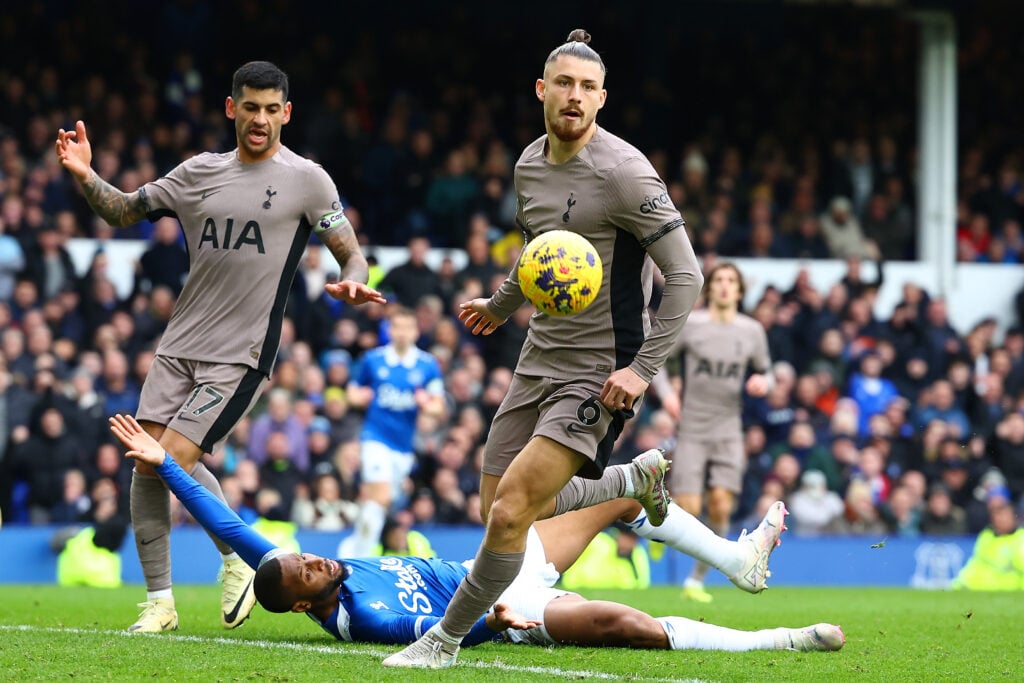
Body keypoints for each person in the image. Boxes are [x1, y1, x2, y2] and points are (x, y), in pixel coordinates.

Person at [389, 29, 705, 667]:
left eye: (588, 88)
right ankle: (630, 482)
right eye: (564, 83)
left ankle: (443, 642)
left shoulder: (625, 173)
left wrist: (642, 371)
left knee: (511, 510)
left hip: (600, 369)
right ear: (541, 90)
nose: (575, 96)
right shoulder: (529, 163)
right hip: (538, 356)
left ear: (602, 99)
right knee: (496, 510)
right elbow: (540, 255)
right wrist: (501, 304)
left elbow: (687, 276)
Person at [54, 60, 385, 633]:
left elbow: (349, 249)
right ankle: (161, 603)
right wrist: (85, 176)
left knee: (171, 459)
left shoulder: (308, 179)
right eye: (249, 107)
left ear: (287, 112)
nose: (260, 119)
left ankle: (236, 558)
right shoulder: (199, 172)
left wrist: (356, 276)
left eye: (271, 108)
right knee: (145, 462)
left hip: (242, 354)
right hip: (178, 346)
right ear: (232, 109)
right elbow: (125, 209)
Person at [109, 413, 844, 655]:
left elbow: (224, 519)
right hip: (500, 610)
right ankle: (775, 640)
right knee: (625, 624)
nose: (315, 557)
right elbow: (438, 628)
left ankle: (739, 563)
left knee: (624, 495)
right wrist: (498, 621)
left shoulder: (283, 565)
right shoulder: (362, 615)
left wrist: (162, 462)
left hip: (501, 560)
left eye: (301, 556)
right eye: (308, 570)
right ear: (305, 603)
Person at [652, 261, 773, 603]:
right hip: (692, 427)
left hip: (729, 429)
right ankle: (662, 534)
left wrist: (764, 380)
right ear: (710, 289)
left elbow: (769, 371)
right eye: (718, 280)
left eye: (730, 281)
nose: (723, 286)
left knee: (720, 505)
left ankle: (696, 579)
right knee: (688, 506)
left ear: (739, 291)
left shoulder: (751, 331)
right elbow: (658, 360)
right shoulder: (692, 325)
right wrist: (668, 395)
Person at [341, 306, 446, 557]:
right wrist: (360, 397)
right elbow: (352, 392)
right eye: (396, 327)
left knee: (381, 502)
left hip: (403, 446)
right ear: (389, 330)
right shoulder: (373, 360)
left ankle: (354, 546)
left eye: (407, 328)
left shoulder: (427, 365)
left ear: (415, 331)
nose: (401, 333)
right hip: (375, 438)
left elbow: (437, 406)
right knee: (380, 496)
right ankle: (360, 559)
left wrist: (426, 405)